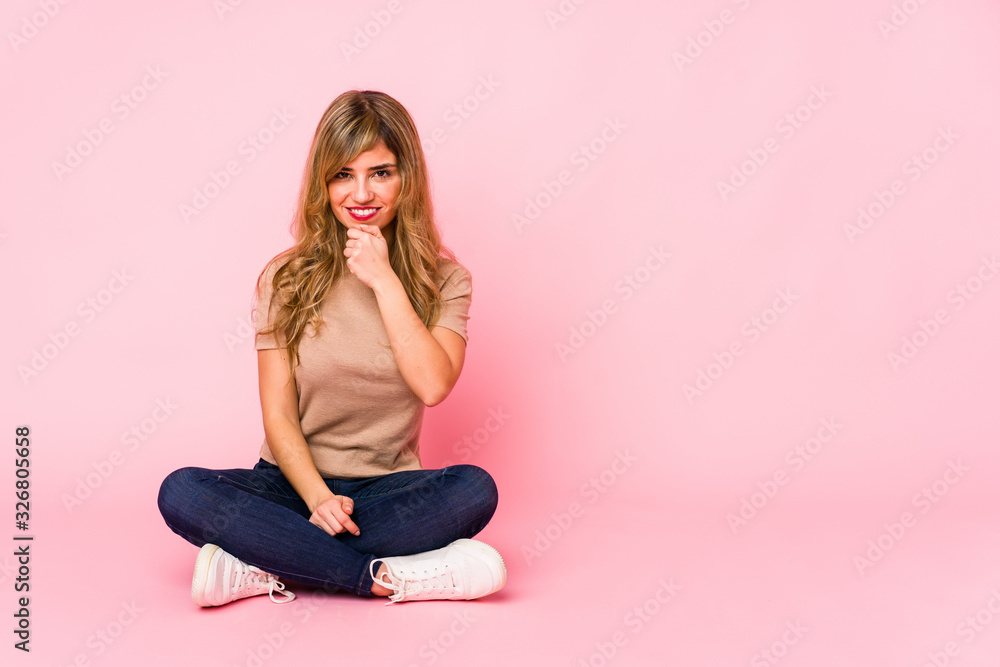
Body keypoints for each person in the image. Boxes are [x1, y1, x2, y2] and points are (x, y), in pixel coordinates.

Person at [157, 90, 505, 607]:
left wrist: (385, 281)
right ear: (323, 181)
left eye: (381, 172)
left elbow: (433, 385)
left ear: (407, 178)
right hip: (291, 487)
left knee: (476, 489)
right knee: (181, 490)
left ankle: (264, 562)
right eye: (343, 174)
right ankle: (387, 579)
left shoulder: (446, 280)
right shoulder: (286, 277)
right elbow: (278, 415)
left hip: (386, 491)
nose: (361, 192)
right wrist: (318, 499)